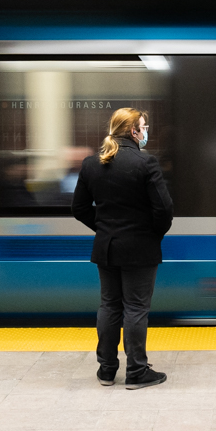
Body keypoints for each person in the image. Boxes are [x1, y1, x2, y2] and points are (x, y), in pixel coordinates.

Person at [72, 108, 174, 389]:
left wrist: (104, 228)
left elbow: (79, 208)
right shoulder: (146, 163)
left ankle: (106, 370)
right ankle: (137, 371)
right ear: (133, 131)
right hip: (140, 248)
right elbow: (164, 209)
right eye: (144, 126)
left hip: (106, 247)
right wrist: (152, 235)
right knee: (136, 308)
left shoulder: (91, 164)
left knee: (109, 305)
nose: (146, 131)